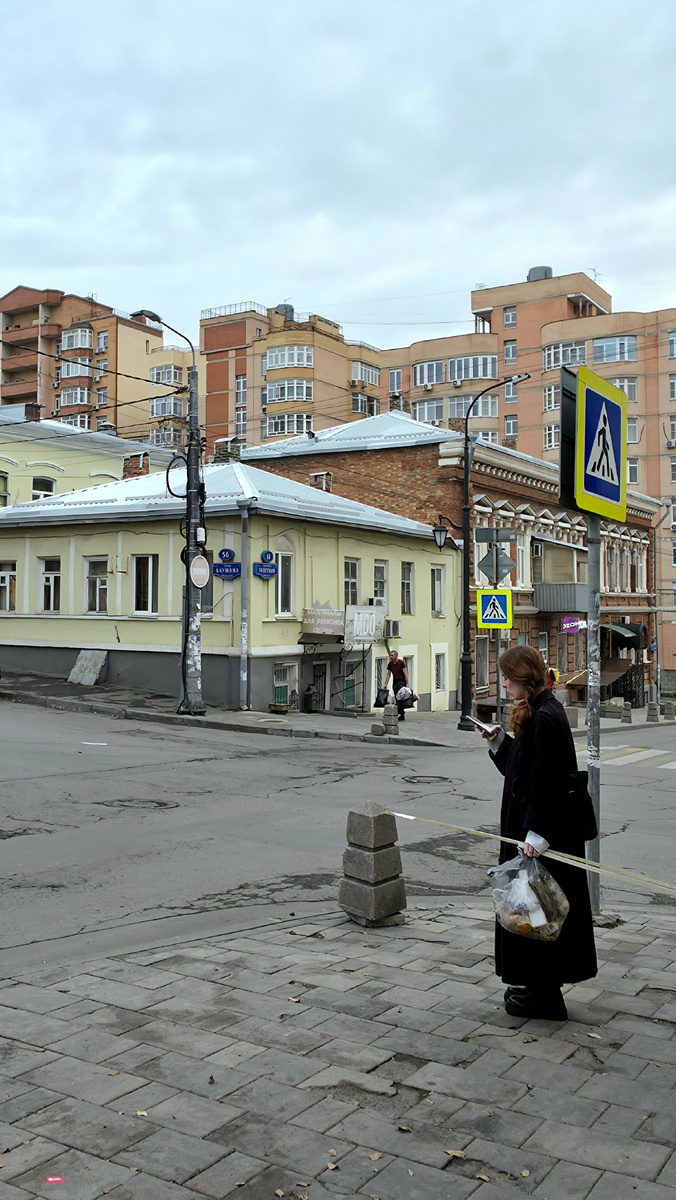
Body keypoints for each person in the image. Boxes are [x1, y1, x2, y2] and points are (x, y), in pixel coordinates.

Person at [479, 644, 597, 1020]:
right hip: (533, 830)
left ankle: (545, 997)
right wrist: (500, 744)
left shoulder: (546, 716)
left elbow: (550, 782)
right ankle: (537, 988)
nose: (504, 682)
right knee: (532, 911)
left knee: (538, 912)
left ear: (523, 678)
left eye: (507, 676)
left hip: (541, 835)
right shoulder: (540, 710)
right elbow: (524, 770)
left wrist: (537, 836)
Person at [384, 650, 409, 721]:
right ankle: (401, 713)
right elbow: (388, 674)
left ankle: (400, 713)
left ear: (396, 656)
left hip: (402, 682)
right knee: (397, 698)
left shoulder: (401, 663)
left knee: (400, 698)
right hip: (395, 682)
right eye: (390, 655)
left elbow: (405, 673)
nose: (391, 657)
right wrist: (386, 684)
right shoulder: (390, 664)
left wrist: (407, 683)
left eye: (392, 655)